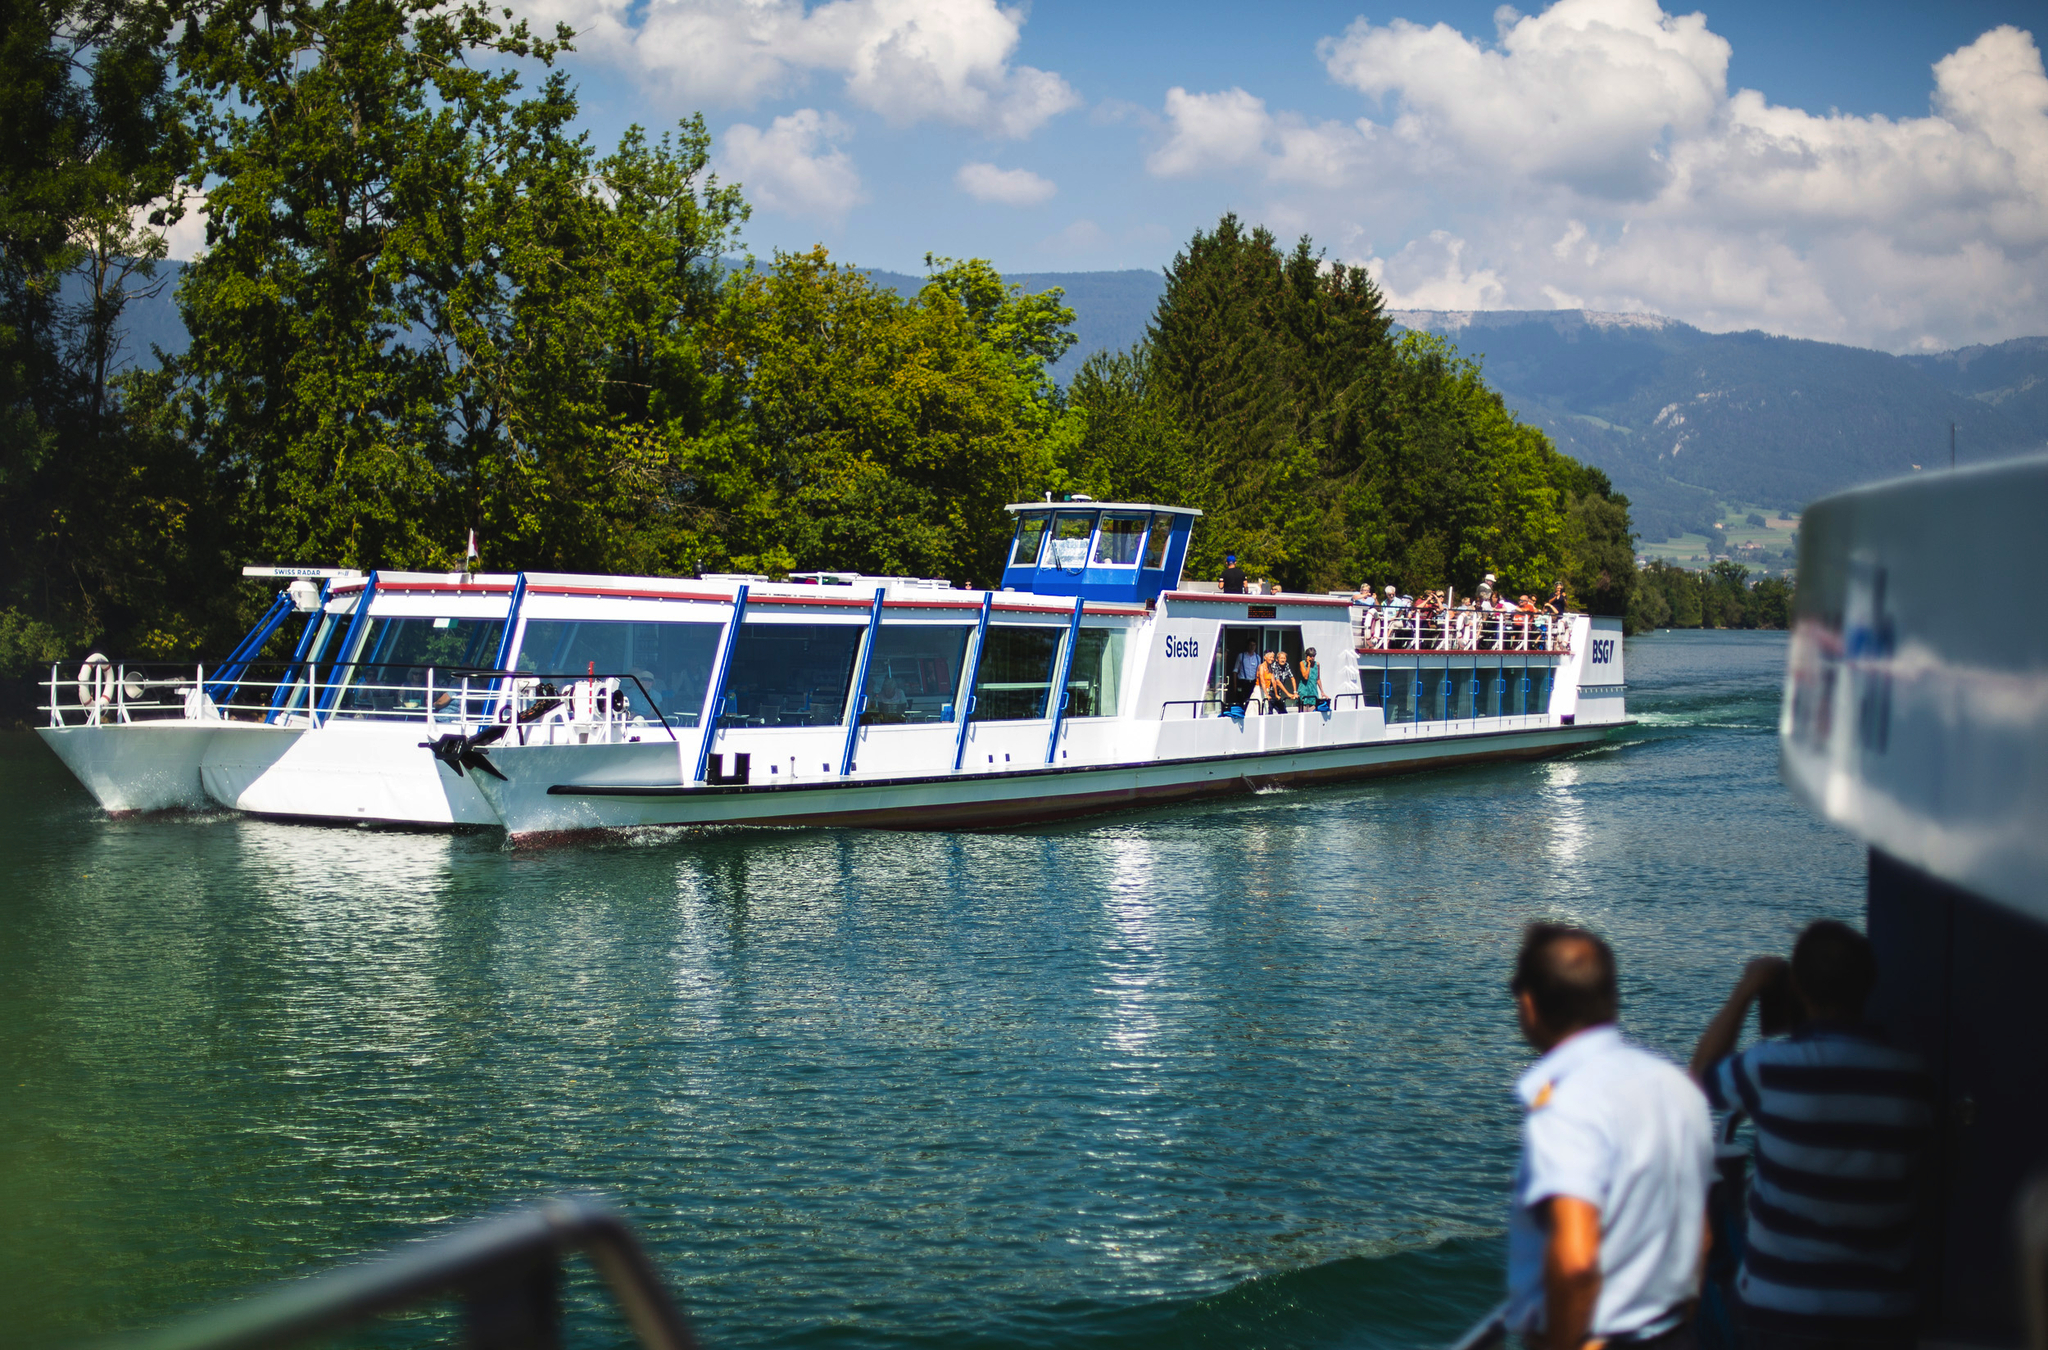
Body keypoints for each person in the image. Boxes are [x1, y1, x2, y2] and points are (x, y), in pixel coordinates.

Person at [1688, 922, 1934, 1350]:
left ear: (1797, 987)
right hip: (1882, 1317)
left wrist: (1747, 989)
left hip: (1777, 1313)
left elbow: (1698, 1082)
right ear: (1868, 985)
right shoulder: (1913, 1079)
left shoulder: (1770, 1068)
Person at [1508, 923, 1714, 1350]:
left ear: (1529, 1005)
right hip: (1678, 1332)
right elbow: (1702, 1235)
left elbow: (1577, 1260)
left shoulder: (1567, 1104)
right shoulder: (1677, 1087)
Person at [1230, 643, 1260, 711]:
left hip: (1253, 682)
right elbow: (1235, 670)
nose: (1252, 647)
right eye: (1250, 645)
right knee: (1242, 701)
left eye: (1254, 645)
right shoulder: (1241, 656)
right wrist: (1235, 686)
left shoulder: (1257, 657)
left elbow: (1259, 672)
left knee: (1252, 702)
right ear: (1247, 646)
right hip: (1243, 682)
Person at [1297, 648, 1326, 712]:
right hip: (1304, 691)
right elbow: (1305, 677)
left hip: (1313, 691)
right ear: (1307, 656)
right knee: (1303, 713)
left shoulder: (1317, 664)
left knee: (1312, 713)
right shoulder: (1302, 663)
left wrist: (1322, 691)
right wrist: (1309, 665)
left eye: (1313, 656)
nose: (1312, 658)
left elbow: (1318, 679)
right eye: (1310, 656)